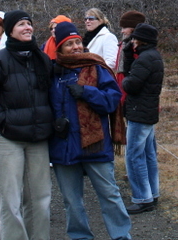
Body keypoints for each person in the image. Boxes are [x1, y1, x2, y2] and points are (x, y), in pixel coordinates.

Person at [0, 10, 53, 240]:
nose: (28, 27)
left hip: (38, 138)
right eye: (21, 24)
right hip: (8, 139)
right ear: (10, 30)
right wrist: (5, 122)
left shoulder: (42, 60)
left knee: (41, 198)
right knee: (10, 201)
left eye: (29, 23)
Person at [49, 22, 131, 240]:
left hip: (95, 144)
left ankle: (121, 236)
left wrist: (86, 92)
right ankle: (80, 237)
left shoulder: (96, 67)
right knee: (71, 201)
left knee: (109, 194)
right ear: (59, 48)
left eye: (78, 42)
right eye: (69, 44)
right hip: (63, 145)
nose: (76, 47)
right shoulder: (52, 72)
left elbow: (112, 100)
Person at [122, 23, 164, 214]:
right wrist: (130, 56)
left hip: (139, 112)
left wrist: (125, 79)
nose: (133, 41)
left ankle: (142, 198)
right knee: (148, 154)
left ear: (141, 40)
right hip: (147, 112)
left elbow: (131, 84)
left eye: (135, 38)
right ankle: (152, 194)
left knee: (133, 155)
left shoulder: (145, 60)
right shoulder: (153, 57)